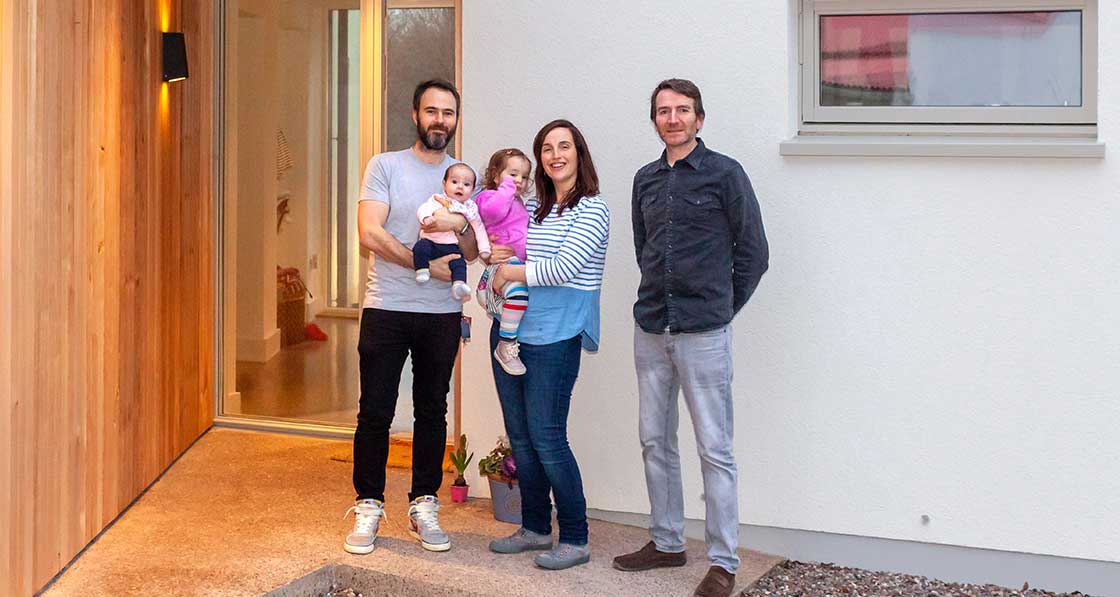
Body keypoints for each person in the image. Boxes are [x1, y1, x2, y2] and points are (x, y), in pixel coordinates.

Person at [612, 79, 769, 597]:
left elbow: (753, 255)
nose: (673, 118)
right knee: (654, 441)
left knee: (714, 449)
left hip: (704, 333)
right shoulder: (645, 179)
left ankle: (723, 561)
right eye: (663, 111)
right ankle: (667, 542)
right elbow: (645, 248)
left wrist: (719, 310)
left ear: (699, 119)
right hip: (652, 328)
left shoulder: (726, 174)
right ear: (654, 119)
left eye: (683, 110)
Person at [344, 79, 478, 555]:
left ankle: (424, 503)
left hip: (441, 315)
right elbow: (369, 233)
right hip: (386, 306)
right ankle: (368, 505)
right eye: (432, 111)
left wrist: (461, 228)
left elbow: (473, 248)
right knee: (375, 412)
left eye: (448, 112)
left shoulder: (464, 176)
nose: (440, 119)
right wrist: (423, 264)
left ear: (455, 120)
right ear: (415, 115)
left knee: (432, 411)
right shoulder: (385, 166)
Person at [484, 120, 610, 570]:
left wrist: (511, 271)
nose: (555, 154)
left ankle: (575, 537)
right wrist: (496, 256)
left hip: (556, 337)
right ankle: (535, 527)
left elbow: (562, 269)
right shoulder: (531, 207)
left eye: (565, 146)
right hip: (509, 334)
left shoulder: (593, 209)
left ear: (579, 153)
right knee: (520, 437)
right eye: (547, 148)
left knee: (548, 438)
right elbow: (500, 242)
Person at [474, 148, 533, 375]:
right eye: (513, 174)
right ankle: (506, 344)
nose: (519, 181)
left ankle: (506, 333)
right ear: (496, 175)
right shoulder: (489, 196)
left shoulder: (519, 202)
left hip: (514, 264)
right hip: (502, 266)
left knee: (519, 299)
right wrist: (506, 189)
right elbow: (492, 213)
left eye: (524, 176)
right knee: (519, 296)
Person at [412, 162, 490, 302]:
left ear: (472, 189)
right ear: (444, 184)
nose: (460, 186)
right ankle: (422, 270)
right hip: (431, 242)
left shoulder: (470, 208)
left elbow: (479, 229)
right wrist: (426, 218)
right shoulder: (438, 199)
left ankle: (458, 285)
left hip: (452, 246)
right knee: (420, 248)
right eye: (454, 182)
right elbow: (423, 209)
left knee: (459, 264)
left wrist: (484, 249)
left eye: (466, 184)